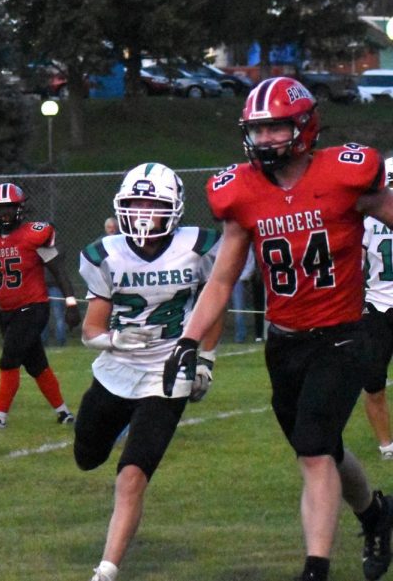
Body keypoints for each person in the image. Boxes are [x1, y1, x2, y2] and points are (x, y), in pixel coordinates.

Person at [163, 78, 393, 581]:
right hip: (284, 341)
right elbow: (221, 279)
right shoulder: (239, 192)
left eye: (275, 127)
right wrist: (188, 339)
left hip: (342, 334)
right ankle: (377, 515)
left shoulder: (344, 175)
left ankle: (315, 568)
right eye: (257, 129)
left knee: (313, 450)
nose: (265, 138)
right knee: (323, 448)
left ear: (305, 125)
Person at [75, 163, 222, 581]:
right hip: (115, 370)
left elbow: (216, 304)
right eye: (134, 203)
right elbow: (90, 331)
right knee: (87, 456)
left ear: (173, 210)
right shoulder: (104, 254)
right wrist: (113, 341)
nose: (142, 213)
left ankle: (107, 569)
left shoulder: (199, 247)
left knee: (133, 474)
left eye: (151, 204)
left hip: (168, 371)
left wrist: (206, 361)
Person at [0, 183, 80, 429]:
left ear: (19, 209)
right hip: (7, 310)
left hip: (34, 307)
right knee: (36, 364)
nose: (4, 213)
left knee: (8, 360)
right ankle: (64, 414)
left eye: (9, 207)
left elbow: (59, 272)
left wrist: (71, 303)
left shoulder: (34, 235)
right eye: (0, 208)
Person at [362, 157, 393, 459]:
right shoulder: (368, 222)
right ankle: (387, 447)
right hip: (378, 308)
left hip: (377, 304)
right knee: (373, 383)